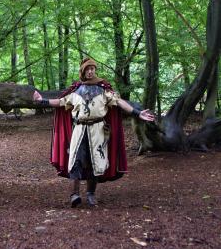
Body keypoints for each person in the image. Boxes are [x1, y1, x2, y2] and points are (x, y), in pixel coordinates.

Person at [33, 57, 154, 207]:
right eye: (87, 69)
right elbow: (60, 102)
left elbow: (120, 102)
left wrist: (137, 113)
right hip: (79, 130)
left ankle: (91, 194)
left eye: (92, 69)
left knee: (94, 162)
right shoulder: (76, 90)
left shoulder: (104, 90)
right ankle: (74, 195)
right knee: (75, 161)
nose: (90, 71)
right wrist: (42, 100)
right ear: (83, 71)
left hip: (98, 131)